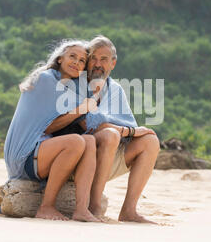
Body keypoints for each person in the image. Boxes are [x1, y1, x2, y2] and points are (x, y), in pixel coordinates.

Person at [47, 36, 160, 223]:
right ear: (88, 61)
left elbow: (128, 127)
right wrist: (130, 131)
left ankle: (129, 210)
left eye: (104, 59)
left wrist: (132, 131)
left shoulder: (115, 90)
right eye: (93, 59)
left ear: (113, 63)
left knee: (149, 141)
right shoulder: (75, 83)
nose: (98, 64)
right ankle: (94, 204)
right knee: (109, 135)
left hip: (105, 158)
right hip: (75, 156)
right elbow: (89, 124)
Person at [3, 39, 100, 222]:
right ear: (60, 58)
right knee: (76, 141)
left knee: (89, 141)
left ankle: (81, 209)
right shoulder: (47, 79)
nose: (76, 62)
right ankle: (46, 207)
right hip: (23, 155)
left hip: (39, 152)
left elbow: (85, 120)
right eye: (72, 56)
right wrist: (86, 106)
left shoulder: (67, 87)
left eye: (81, 61)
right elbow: (90, 114)